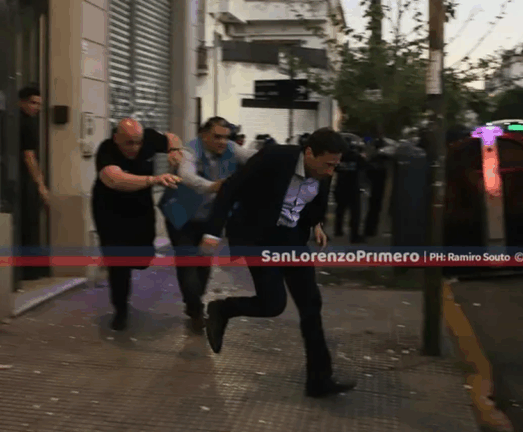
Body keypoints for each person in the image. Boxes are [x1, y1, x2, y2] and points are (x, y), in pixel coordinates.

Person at [199, 127, 356, 398]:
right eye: (328, 164)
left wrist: (316, 224)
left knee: (311, 306)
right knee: (273, 303)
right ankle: (223, 309)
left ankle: (319, 380)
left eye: (335, 165)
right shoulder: (273, 157)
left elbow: (312, 205)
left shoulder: (323, 172)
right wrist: (212, 232)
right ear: (309, 153)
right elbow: (230, 190)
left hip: (293, 240)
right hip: (259, 239)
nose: (331, 171)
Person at [160, 117, 256, 332]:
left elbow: (254, 158)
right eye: (217, 137)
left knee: (204, 263)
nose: (223, 142)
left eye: (226, 137)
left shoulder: (232, 148)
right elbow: (186, 176)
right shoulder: (190, 151)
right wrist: (214, 186)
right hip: (180, 214)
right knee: (186, 262)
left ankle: (194, 302)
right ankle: (195, 308)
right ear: (204, 135)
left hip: (209, 217)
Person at [92, 118, 184, 331]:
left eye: (138, 142)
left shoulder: (150, 138)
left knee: (143, 258)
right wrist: (153, 180)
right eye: (128, 143)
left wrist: (175, 149)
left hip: (140, 207)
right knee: (118, 263)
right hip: (109, 210)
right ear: (116, 139)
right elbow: (115, 179)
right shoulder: (107, 149)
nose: (134, 148)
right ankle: (120, 311)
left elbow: (171, 137)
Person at [18, 86, 48, 280]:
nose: (36, 108)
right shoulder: (26, 123)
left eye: (39, 104)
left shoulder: (17, 120)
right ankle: (30, 270)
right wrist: (40, 184)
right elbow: (29, 157)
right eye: (33, 102)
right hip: (21, 180)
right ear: (21, 101)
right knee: (29, 221)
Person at [333, 139, 365, 243]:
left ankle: (338, 230)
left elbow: (334, 168)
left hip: (340, 187)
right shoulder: (357, 157)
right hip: (353, 188)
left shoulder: (338, 157)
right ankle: (354, 235)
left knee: (340, 210)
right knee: (355, 213)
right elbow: (365, 167)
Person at [363, 137, 388, 237]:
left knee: (373, 210)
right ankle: (370, 231)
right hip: (377, 188)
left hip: (373, 187)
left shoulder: (373, 158)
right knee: (375, 209)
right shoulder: (381, 159)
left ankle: (370, 230)